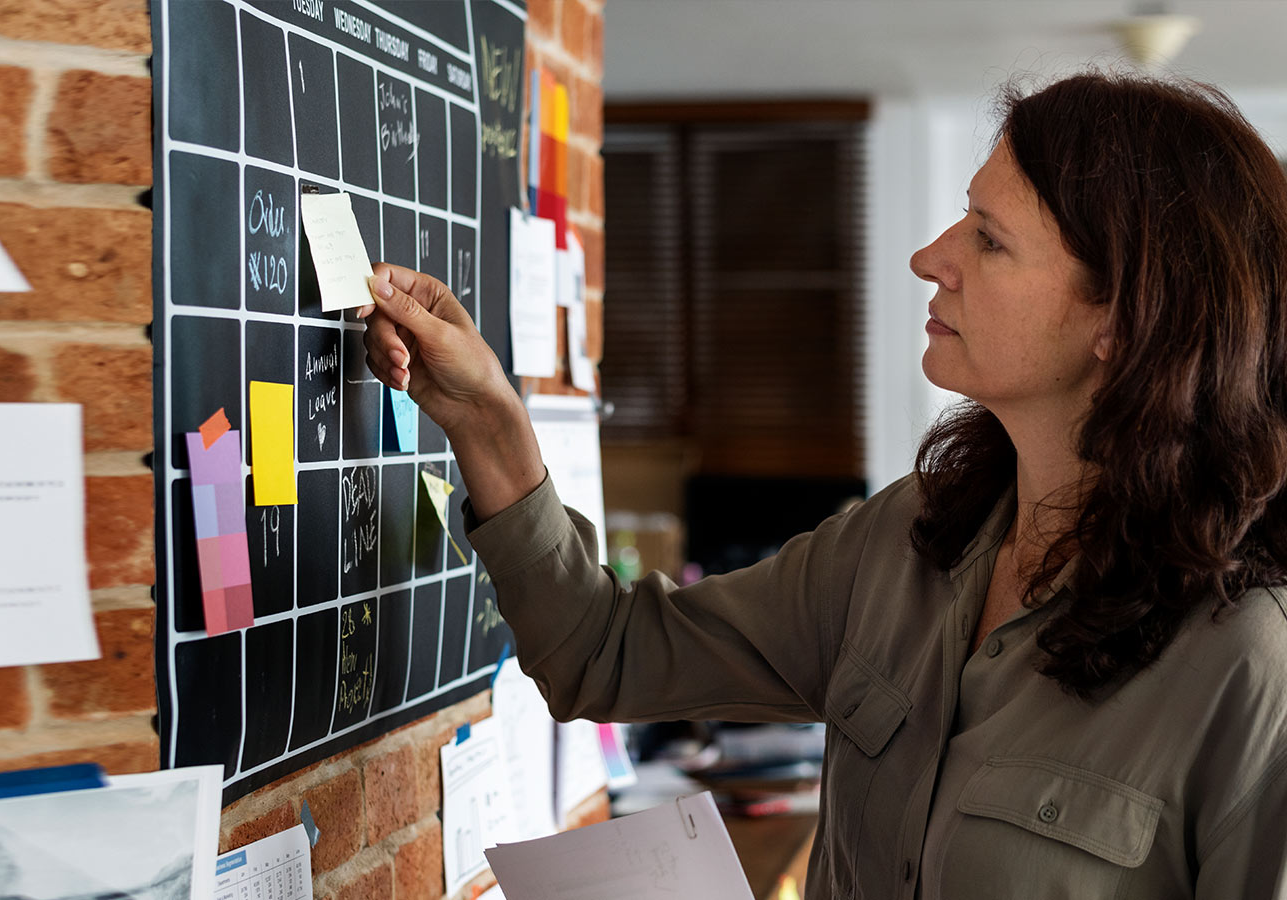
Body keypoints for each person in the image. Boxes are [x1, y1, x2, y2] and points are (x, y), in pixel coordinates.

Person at [356, 71, 1287, 898]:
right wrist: (487, 418)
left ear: (1122, 322)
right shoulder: (907, 540)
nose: (932, 257)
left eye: (989, 240)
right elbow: (605, 651)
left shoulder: (1250, 666)